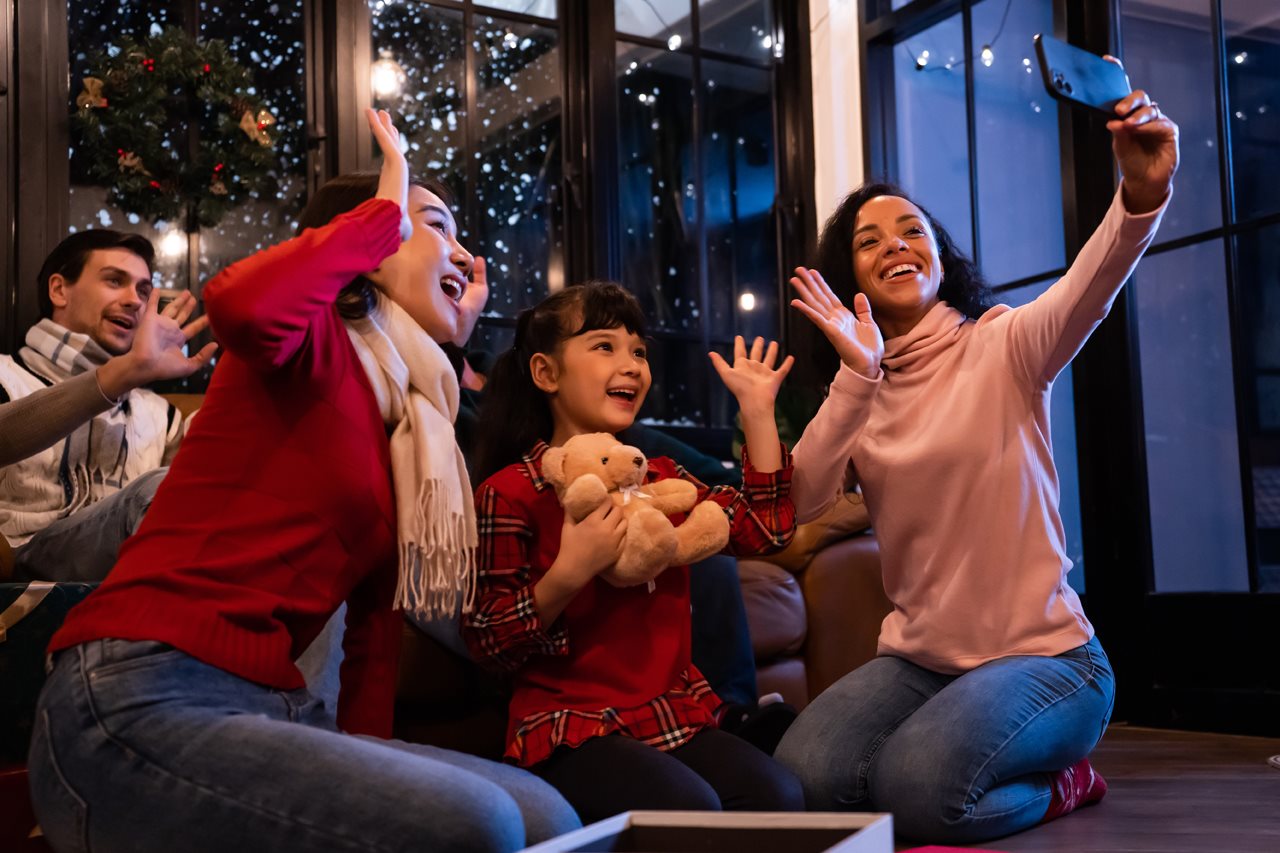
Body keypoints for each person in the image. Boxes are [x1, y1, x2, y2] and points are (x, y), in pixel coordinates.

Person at [26, 109, 578, 853]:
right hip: (136, 693)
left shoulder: (415, 423)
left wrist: (377, 785)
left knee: (548, 817)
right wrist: (383, 213)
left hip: (274, 709)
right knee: (484, 823)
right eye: (437, 225)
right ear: (370, 244)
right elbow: (239, 301)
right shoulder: (303, 343)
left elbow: (373, 654)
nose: (466, 252)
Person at [773, 79, 1179, 844]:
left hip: (1051, 661)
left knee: (919, 790)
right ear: (849, 276)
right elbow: (796, 499)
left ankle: (1065, 782)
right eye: (870, 240)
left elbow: (1091, 285)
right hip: (923, 663)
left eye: (912, 230)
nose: (896, 243)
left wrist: (1139, 197)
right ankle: (947, 758)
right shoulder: (857, 393)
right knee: (805, 777)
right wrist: (856, 378)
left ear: (938, 254)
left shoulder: (1005, 346)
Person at [462, 281, 806, 823]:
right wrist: (570, 572)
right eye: (604, 346)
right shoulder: (510, 492)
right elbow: (488, 643)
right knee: (688, 809)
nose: (631, 365)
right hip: (567, 724)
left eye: (639, 351)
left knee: (779, 797)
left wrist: (757, 412)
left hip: (672, 713)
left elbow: (765, 530)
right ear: (545, 373)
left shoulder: (662, 479)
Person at [0, 231, 215, 581]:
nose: (134, 300)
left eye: (144, 291)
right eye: (115, 281)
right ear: (59, 290)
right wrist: (125, 371)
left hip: (128, 583)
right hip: (23, 573)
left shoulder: (159, 413)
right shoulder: (5, 375)